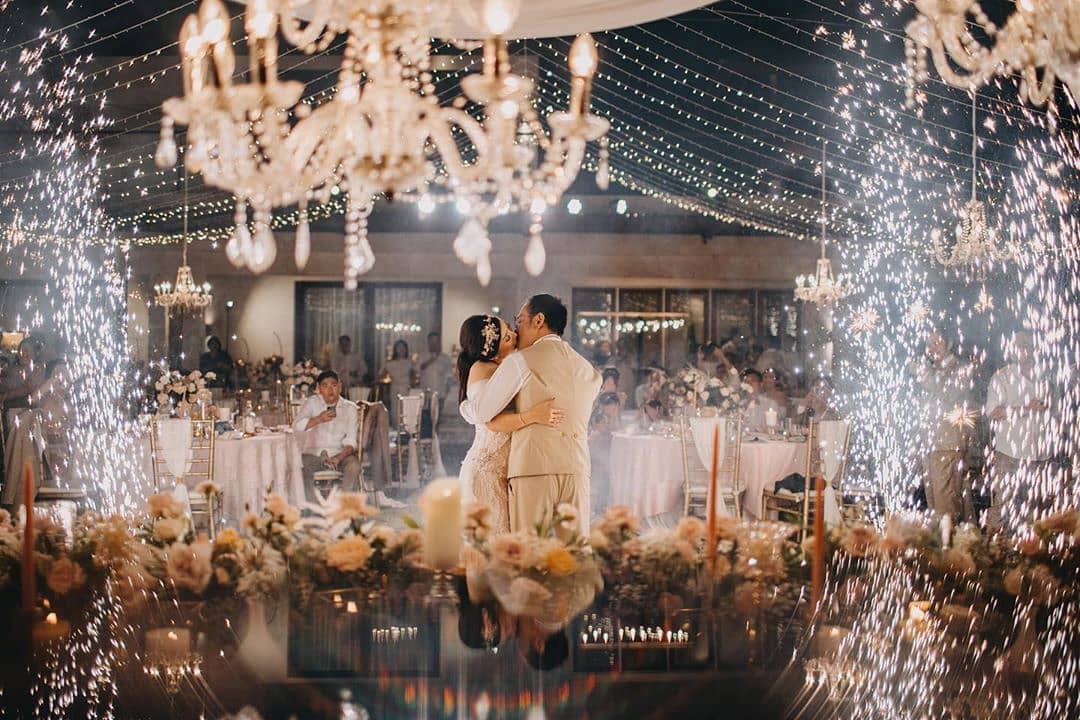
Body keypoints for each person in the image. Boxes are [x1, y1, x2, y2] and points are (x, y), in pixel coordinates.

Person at [459, 294, 602, 531]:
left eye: (519, 320)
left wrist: (464, 407)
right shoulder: (589, 371)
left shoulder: (520, 361)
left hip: (531, 469)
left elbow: (482, 412)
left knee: (530, 546)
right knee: (575, 547)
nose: (516, 329)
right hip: (577, 469)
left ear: (538, 320)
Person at [456, 314, 566, 534]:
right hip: (487, 472)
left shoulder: (507, 364)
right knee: (493, 543)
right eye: (507, 337)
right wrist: (533, 415)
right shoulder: (483, 368)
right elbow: (490, 422)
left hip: (504, 470)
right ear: (494, 354)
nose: (515, 335)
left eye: (509, 328)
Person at [293, 370, 404, 508]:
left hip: (339, 454)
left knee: (354, 465)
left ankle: (343, 507)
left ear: (340, 386)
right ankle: (316, 509)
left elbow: (351, 441)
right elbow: (296, 426)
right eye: (325, 386)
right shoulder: (312, 403)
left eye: (333, 385)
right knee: (299, 465)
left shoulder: (350, 408)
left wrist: (338, 458)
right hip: (313, 454)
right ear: (319, 388)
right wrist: (318, 419)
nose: (330, 390)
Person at [984, 331, 1057, 531]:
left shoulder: (1046, 377)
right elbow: (993, 412)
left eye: (1027, 344)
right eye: (1019, 345)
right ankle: (996, 545)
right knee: (1003, 509)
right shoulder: (1002, 377)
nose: (1024, 349)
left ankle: (1030, 547)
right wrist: (1025, 409)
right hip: (1010, 455)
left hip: (1040, 456)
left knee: (1035, 509)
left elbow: (1055, 412)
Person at [915, 330, 975, 520]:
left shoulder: (960, 368)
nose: (932, 348)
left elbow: (949, 393)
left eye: (937, 342)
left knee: (946, 511)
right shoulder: (931, 371)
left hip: (948, 447)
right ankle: (960, 537)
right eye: (929, 344)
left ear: (949, 344)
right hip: (931, 447)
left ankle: (952, 538)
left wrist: (924, 376)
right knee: (938, 510)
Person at [381, 339, 416, 426]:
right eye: (399, 348)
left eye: (403, 348)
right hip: (395, 389)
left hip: (406, 389)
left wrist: (412, 385)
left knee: (406, 410)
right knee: (395, 409)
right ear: (395, 350)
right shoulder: (390, 363)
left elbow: (413, 376)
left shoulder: (409, 362)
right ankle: (396, 427)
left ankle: (406, 429)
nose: (401, 350)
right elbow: (381, 375)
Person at [419, 330, 453, 409]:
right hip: (425, 395)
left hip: (440, 394)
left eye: (436, 342)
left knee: (438, 415)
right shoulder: (422, 356)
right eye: (431, 342)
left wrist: (447, 393)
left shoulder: (445, 358)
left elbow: (449, 376)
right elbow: (419, 369)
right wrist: (432, 359)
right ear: (428, 342)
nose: (433, 344)